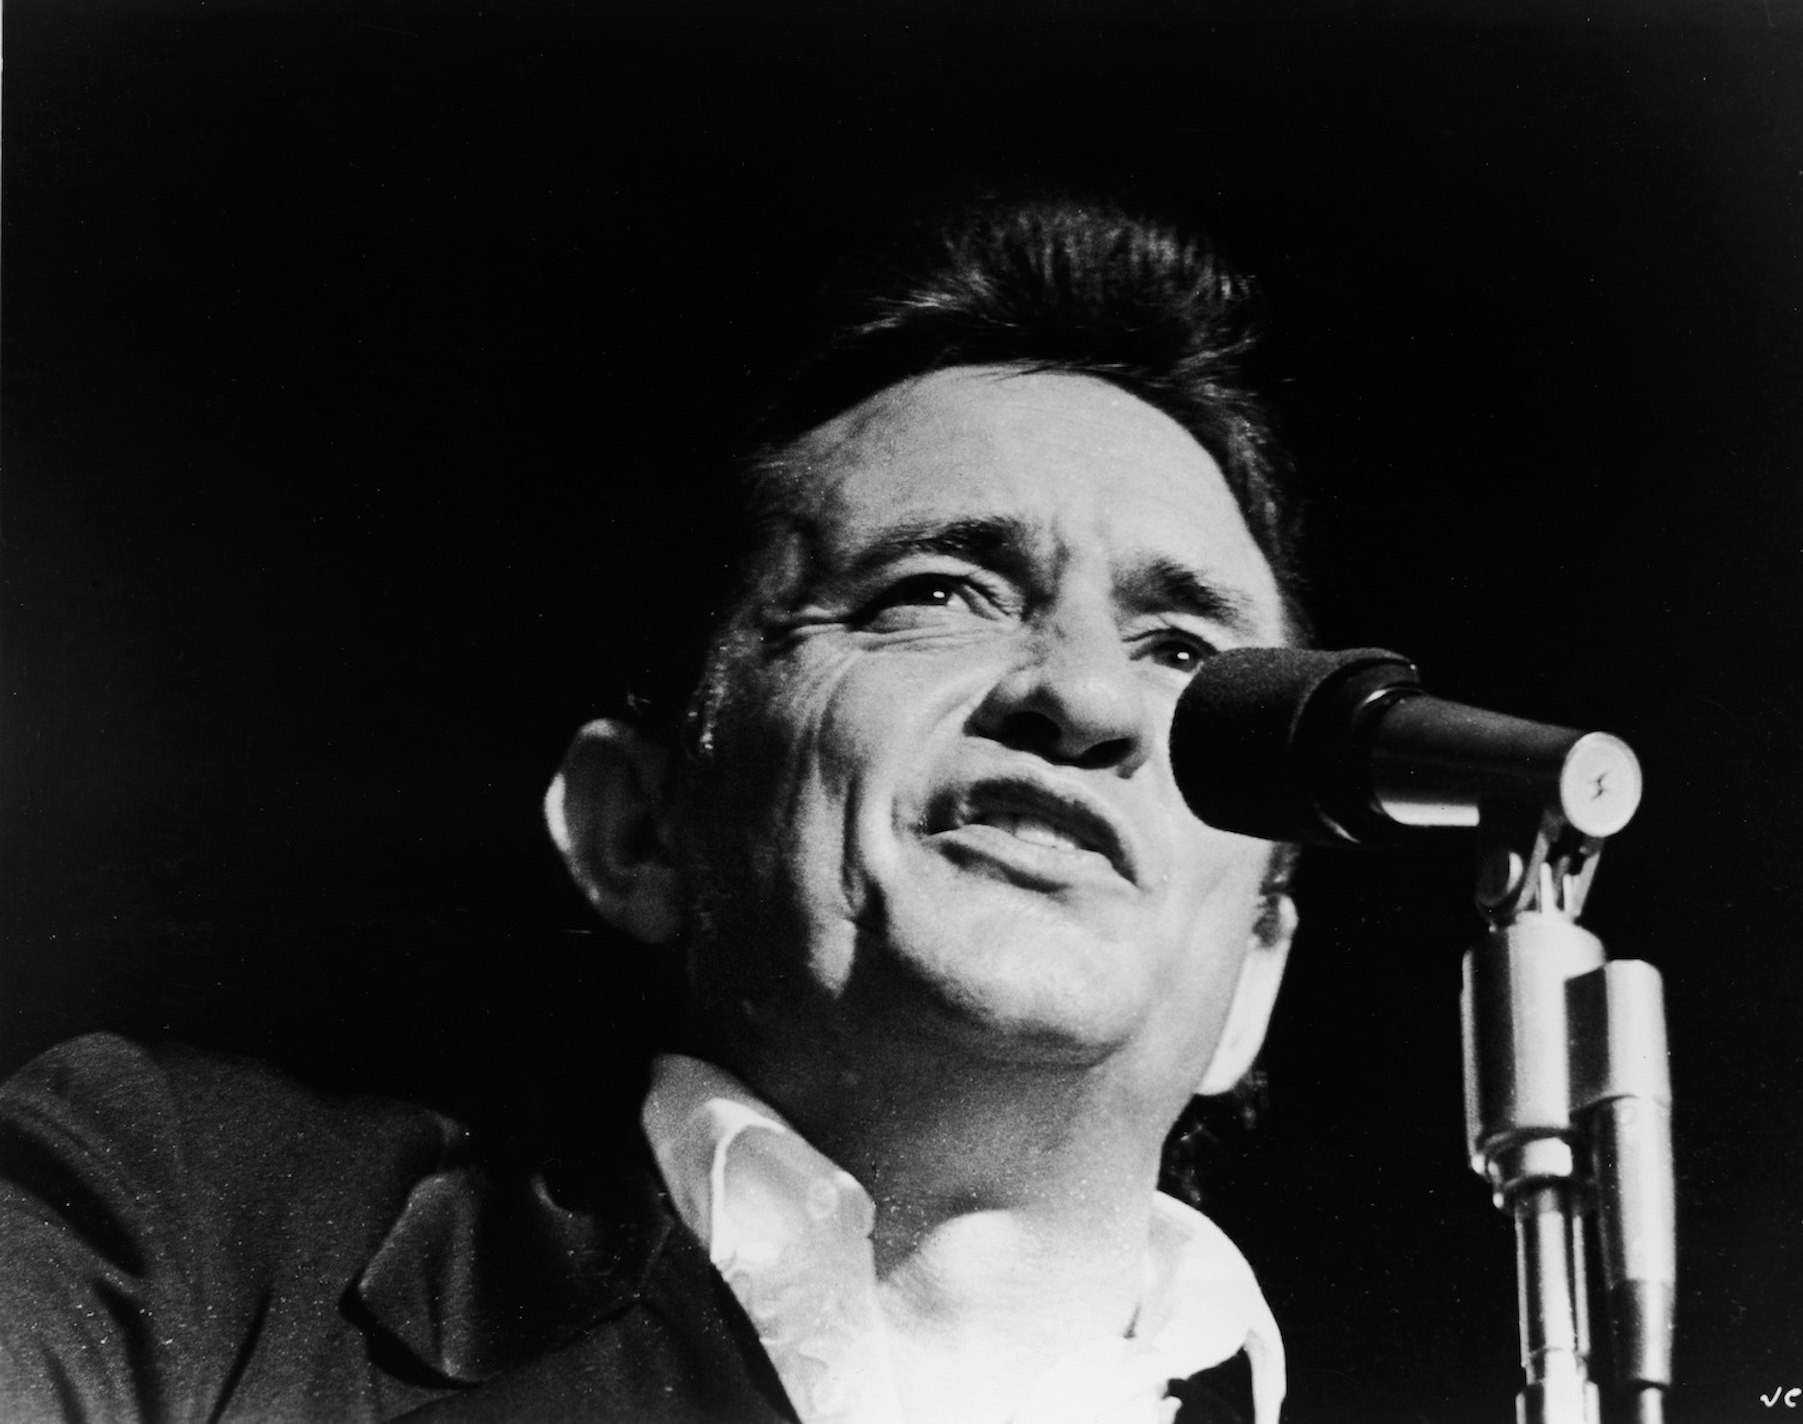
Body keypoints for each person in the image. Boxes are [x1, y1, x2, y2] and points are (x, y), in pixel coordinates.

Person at [0, 198, 1306, 1423]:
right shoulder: (176, 1229)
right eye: (938, 591)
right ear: (637, 826)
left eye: (1188, 651)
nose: (1085, 694)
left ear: (1255, 964)